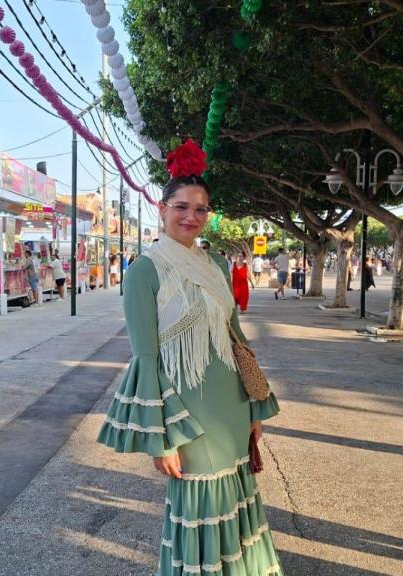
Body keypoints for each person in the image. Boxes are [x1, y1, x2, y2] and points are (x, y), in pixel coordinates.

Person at [96, 140, 283, 575]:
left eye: (201, 210)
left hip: (232, 407)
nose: (190, 217)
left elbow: (235, 337)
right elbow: (145, 357)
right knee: (200, 508)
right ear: (161, 209)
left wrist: (255, 404)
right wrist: (161, 437)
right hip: (189, 412)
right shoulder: (144, 271)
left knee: (237, 508)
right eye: (181, 206)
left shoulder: (216, 264)